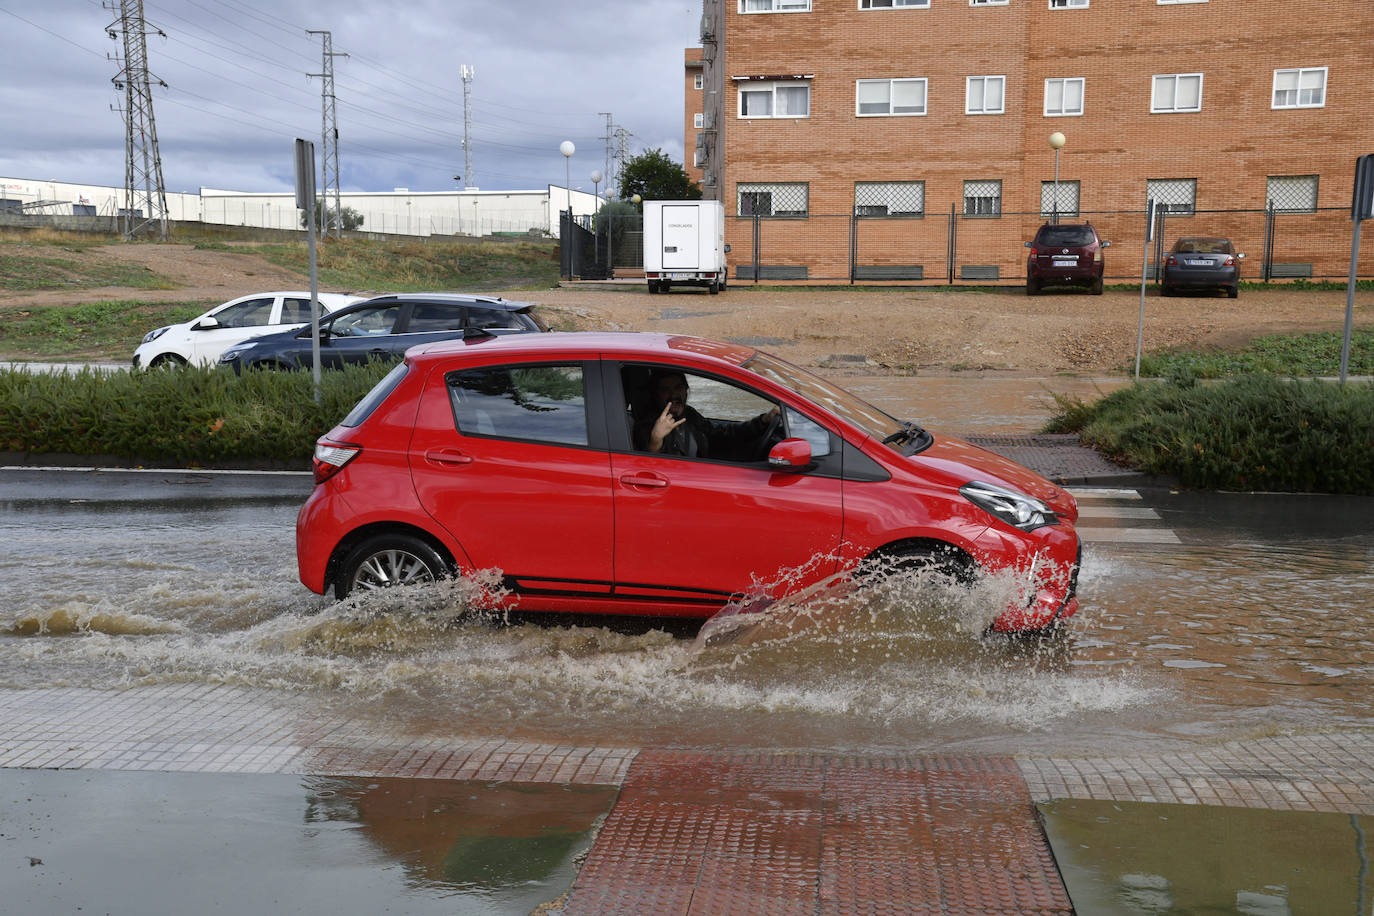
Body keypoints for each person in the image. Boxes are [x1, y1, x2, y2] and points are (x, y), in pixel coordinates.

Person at [632, 369, 779, 459]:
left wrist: (764, 421)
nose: (674, 395)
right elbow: (647, 467)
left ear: (686, 390)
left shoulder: (689, 414)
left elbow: (722, 433)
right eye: (666, 390)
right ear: (656, 395)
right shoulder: (647, 423)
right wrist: (656, 440)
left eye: (679, 388)